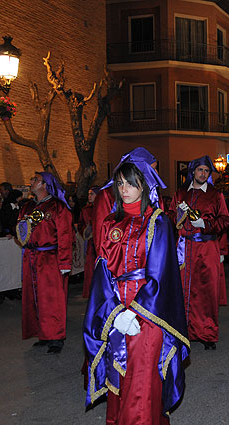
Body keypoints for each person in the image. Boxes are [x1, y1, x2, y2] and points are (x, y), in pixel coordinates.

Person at [83, 159, 189, 424]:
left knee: (141, 382)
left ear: (144, 185)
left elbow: (160, 273)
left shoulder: (158, 222)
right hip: (115, 311)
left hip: (147, 315)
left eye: (131, 183)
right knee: (119, 376)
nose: (125, 189)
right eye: (120, 183)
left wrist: (134, 313)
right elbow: (102, 271)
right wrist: (114, 312)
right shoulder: (110, 223)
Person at [171, 155, 229, 350]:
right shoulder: (180, 193)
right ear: (193, 172)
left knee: (207, 291)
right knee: (182, 288)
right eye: (200, 170)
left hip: (206, 248)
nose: (203, 174)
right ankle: (182, 331)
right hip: (184, 247)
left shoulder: (216, 195)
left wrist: (206, 224)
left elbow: (225, 221)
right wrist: (178, 216)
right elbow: (170, 216)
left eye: (206, 171)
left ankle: (207, 333)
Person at [16, 172, 73, 353]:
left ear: (45, 185)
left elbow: (65, 236)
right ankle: (43, 333)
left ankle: (55, 337)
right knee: (34, 297)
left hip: (50, 259)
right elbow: (21, 231)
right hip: (31, 258)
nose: (31, 182)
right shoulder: (28, 207)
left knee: (52, 300)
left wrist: (64, 263)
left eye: (35, 179)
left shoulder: (57, 207)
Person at [92, 148, 159, 254]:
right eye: (153, 169)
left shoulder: (152, 194)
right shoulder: (107, 195)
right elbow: (101, 237)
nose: (156, 173)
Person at [79, 187, 99, 298]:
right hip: (90, 243)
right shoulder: (85, 210)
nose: (89, 196)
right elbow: (81, 224)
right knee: (90, 266)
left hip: (100, 242)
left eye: (92, 194)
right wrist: (85, 232)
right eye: (89, 194)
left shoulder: (102, 208)